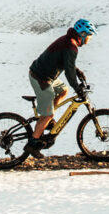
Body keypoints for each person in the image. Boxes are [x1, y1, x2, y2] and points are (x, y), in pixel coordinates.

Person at [26, 19, 95, 156]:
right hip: (41, 78)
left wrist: (77, 71)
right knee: (47, 114)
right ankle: (32, 144)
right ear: (82, 34)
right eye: (89, 35)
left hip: (45, 75)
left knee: (63, 91)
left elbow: (67, 62)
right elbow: (69, 73)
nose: (90, 38)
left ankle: (47, 119)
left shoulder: (69, 41)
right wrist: (78, 88)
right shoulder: (71, 46)